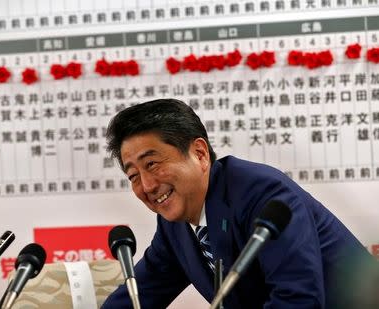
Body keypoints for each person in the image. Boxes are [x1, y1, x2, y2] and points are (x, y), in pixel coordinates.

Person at [101, 98, 377, 308]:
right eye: (134, 175)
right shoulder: (175, 225)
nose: (147, 186)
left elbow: (298, 299)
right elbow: (138, 296)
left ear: (199, 154)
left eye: (152, 164)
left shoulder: (262, 194)